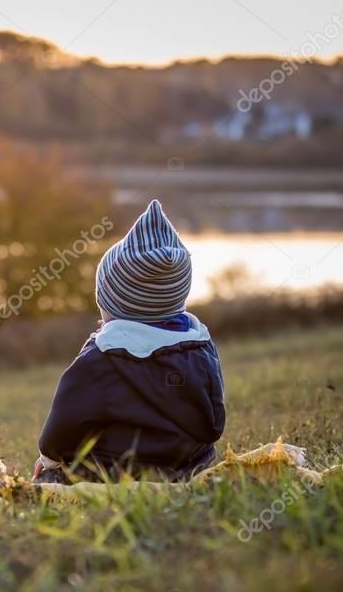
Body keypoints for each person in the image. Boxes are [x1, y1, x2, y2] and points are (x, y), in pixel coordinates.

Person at [32, 199, 225, 484]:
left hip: (120, 473)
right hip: (193, 466)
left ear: (115, 302)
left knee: (49, 479)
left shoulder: (102, 358)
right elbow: (214, 421)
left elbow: (65, 423)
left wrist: (49, 458)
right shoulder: (199, 345)